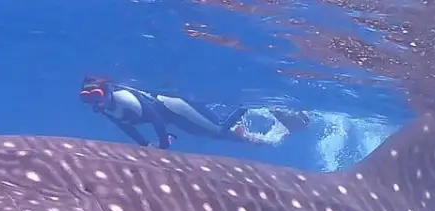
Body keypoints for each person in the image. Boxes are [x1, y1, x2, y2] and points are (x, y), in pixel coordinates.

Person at [78, 75, 310, 149]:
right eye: (87, 99)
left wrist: (162, 144)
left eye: (96, 95)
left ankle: (255, 108)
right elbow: (126, 127)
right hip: (171, 118)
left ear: (107, 90)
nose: (94, 102)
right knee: (212, 133)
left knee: (218, 130)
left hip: (174, 107)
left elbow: (156, 119)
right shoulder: (105, 108)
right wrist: (144, 146)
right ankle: (260, 125)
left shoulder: (123, 98)